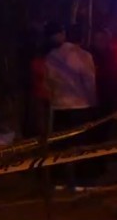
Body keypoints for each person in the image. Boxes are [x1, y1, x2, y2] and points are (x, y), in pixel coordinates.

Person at [43, 21, 100, 183]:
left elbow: (48, 81)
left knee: (60, 144)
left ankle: (59, 179)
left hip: (59, 106)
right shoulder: (84, 56)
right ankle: (82, 178)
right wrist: (93, 103)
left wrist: (53, 98)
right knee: (82, 144)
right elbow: (89, 82)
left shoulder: (51, 56)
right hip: (81, 106)